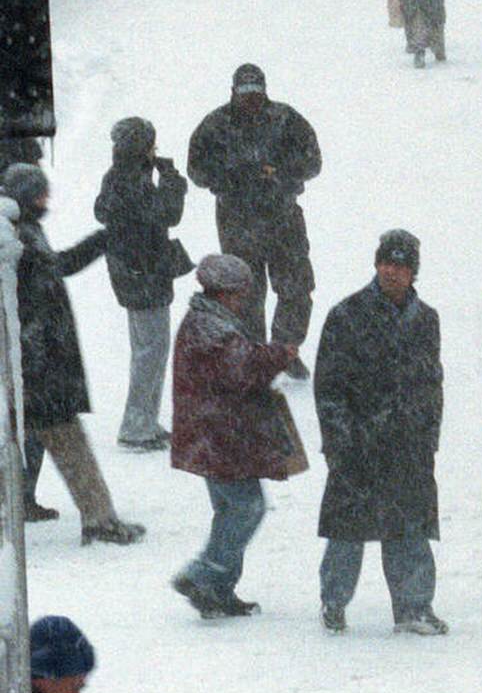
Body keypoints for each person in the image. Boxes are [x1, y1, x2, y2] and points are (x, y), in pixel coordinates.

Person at [2, 163, 144, 545]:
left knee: (29, 439)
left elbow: (55, 268)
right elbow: (44, 282)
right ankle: (99, 521)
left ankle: (22, 504)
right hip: (40, 366)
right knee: (68, 444)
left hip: (33, 366)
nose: (47, 198)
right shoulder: (19, 237)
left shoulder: (22, 231)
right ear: (28, 197)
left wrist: (100, 241)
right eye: (41, 193)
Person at [314, 230, 446, 637]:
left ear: (413, 272)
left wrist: (428, 437)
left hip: (408, 446)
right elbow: (328, 387)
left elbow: (431, 383)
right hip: (358, 445)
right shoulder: (345, 315)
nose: (392, 271)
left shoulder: (426, 320)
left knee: (409, 529)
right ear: (376, 264)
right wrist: (340, 441)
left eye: (401, 265)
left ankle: (414, 607)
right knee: (347, 533)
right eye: (387, 262)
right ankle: (333, 603)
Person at [171, 253, 304, 618]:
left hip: (211, 434)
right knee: (248, 508)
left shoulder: (207, 321)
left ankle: (217, 590)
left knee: (229, 510)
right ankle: (204, 573)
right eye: (241, 291)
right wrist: (278, 355)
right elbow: (241, 372)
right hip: (221, 437)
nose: (245, 297)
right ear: (225, 291)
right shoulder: (212, 328)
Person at [187, 64, 322, 364]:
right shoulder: (215, 125)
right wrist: (231, 177)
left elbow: (313, 161)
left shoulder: (286, 119)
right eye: (245, 92)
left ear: (265, 90)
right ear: (233, 91)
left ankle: (285, 350)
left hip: (283, 218)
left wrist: (281, 171)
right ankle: (254, 355)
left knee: (297, 287)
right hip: (237, 222)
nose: (251, 98)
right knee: (245, 293)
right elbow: (196, 169)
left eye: (256, 91)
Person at [93, 117, 191, 452]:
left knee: (147, 350)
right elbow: (168, 213)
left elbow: (102, 212)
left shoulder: (117, 176)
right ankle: (136, 427)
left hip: (132, 273)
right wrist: (173, 180)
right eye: (151, 143)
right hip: (144, 274)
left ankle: (144, 421)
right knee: (151, 351)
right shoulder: (134, 179)